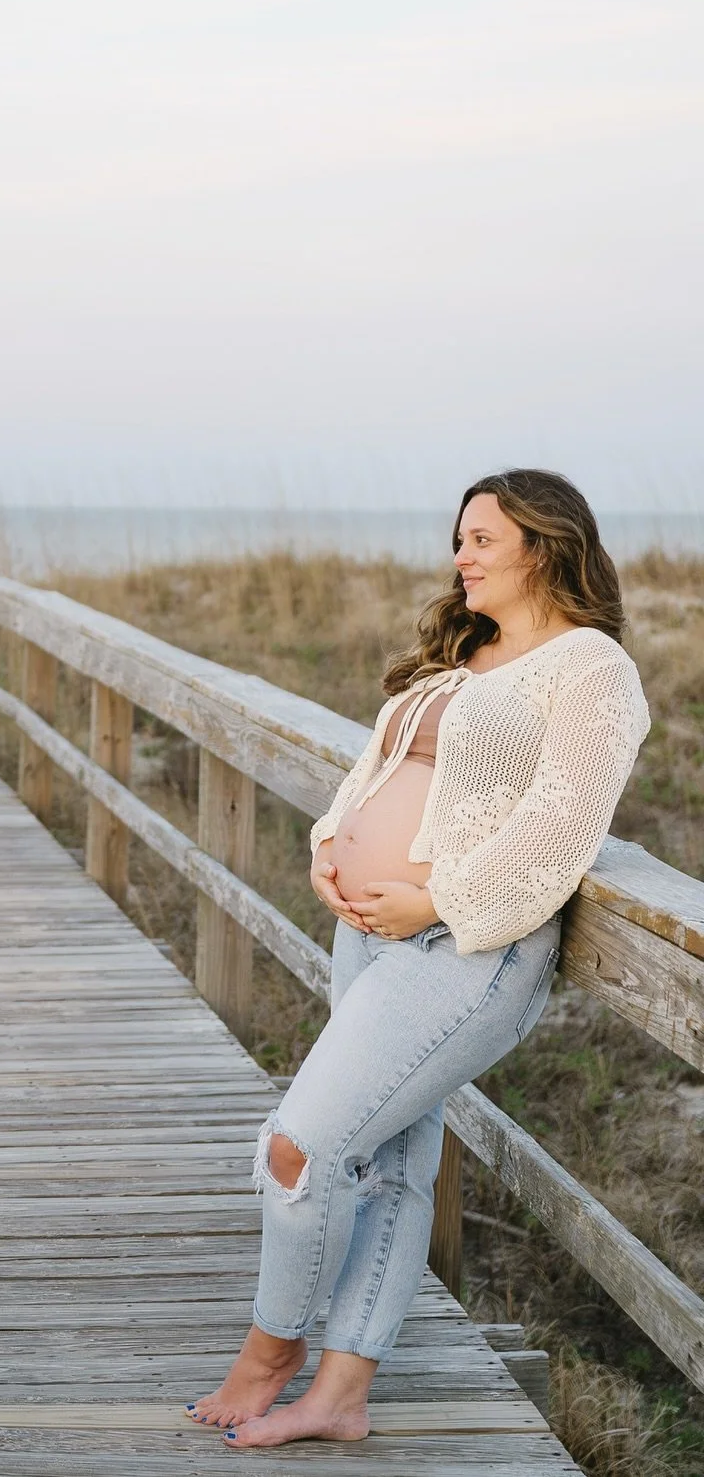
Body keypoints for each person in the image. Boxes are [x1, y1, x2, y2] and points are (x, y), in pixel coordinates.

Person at [187, 468, 650, 1448]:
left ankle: (271, 1351)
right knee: (393, 1162)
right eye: (459, 539)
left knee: (297, 1148)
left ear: (544, 545)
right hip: (367, 932)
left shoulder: (591, 667)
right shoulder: (465, 653)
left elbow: (563, 826)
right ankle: (340, 1395)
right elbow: (375, 767)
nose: (461, 557)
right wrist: (330, 844)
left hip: (464, 948)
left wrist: (436, 899)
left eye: (482, 538)